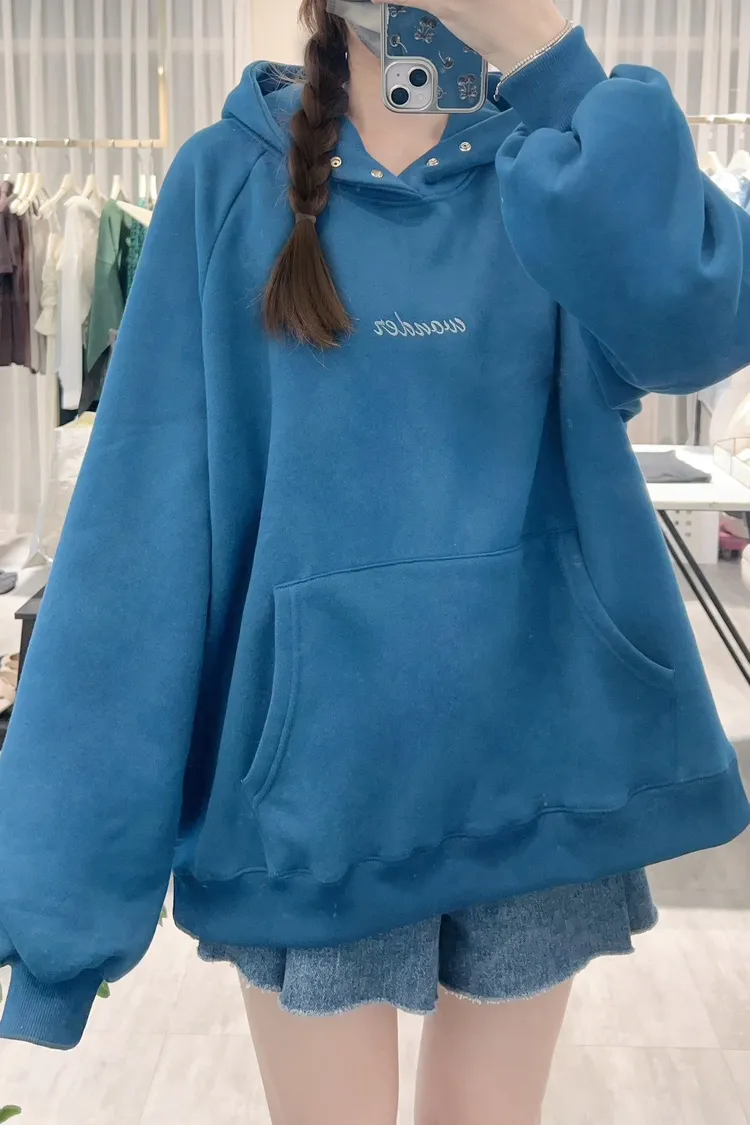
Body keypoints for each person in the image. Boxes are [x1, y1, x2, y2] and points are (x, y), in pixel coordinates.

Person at [1, 0, 749, 1120]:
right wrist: (59, 906)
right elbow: (137, 542)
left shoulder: (560, 175)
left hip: (536, 767)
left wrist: (543, 54)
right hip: (310, 801)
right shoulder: (226, 183)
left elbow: (704, 325)